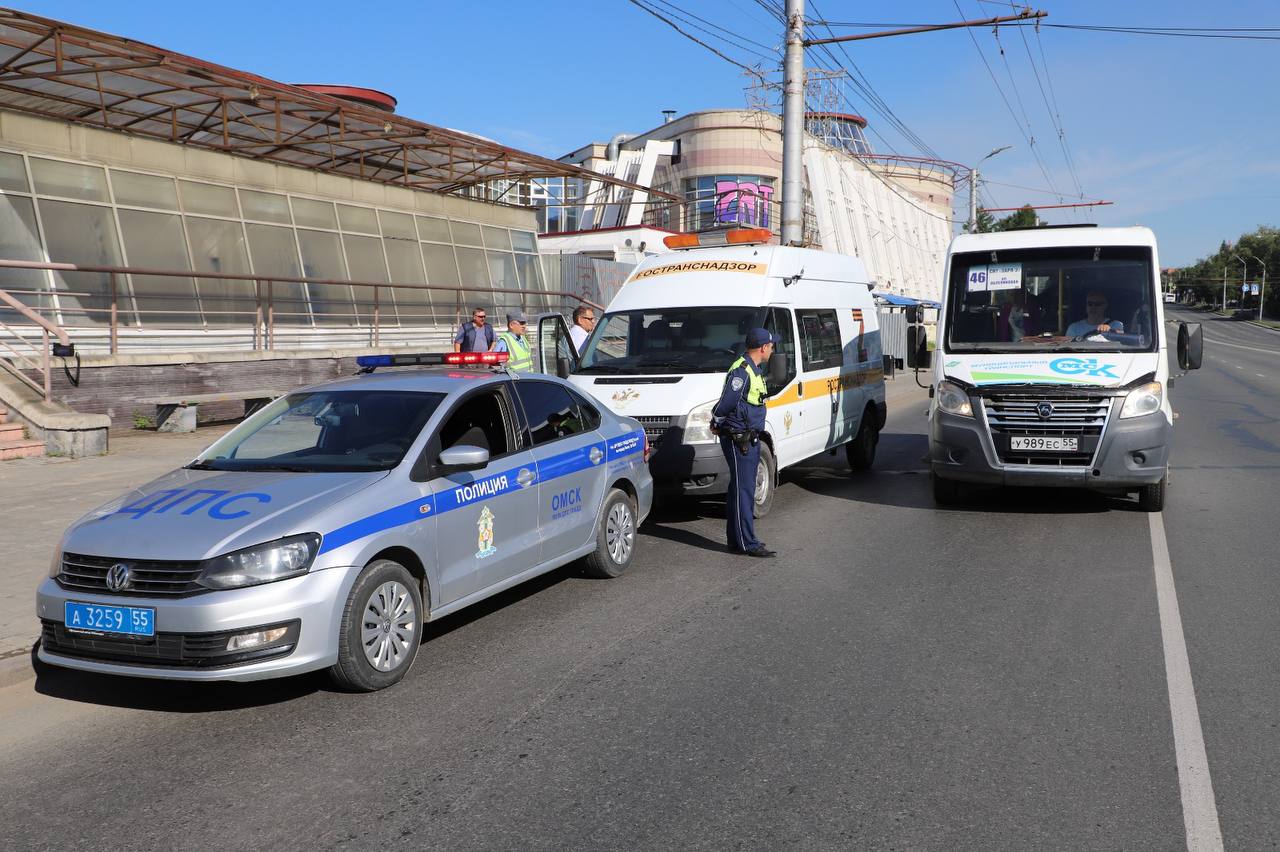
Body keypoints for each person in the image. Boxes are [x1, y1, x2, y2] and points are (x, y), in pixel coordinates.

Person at [711, 328, 777, 559]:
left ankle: (736, 541)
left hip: (748, 436)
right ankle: (747, 543)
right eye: (771, 345)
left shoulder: (753, 368)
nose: (773, 349)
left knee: (739, 489)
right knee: (744, 491)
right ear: (762, 348)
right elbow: (727, 402)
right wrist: (716, 421)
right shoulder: (742, 371)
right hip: (740, 439)